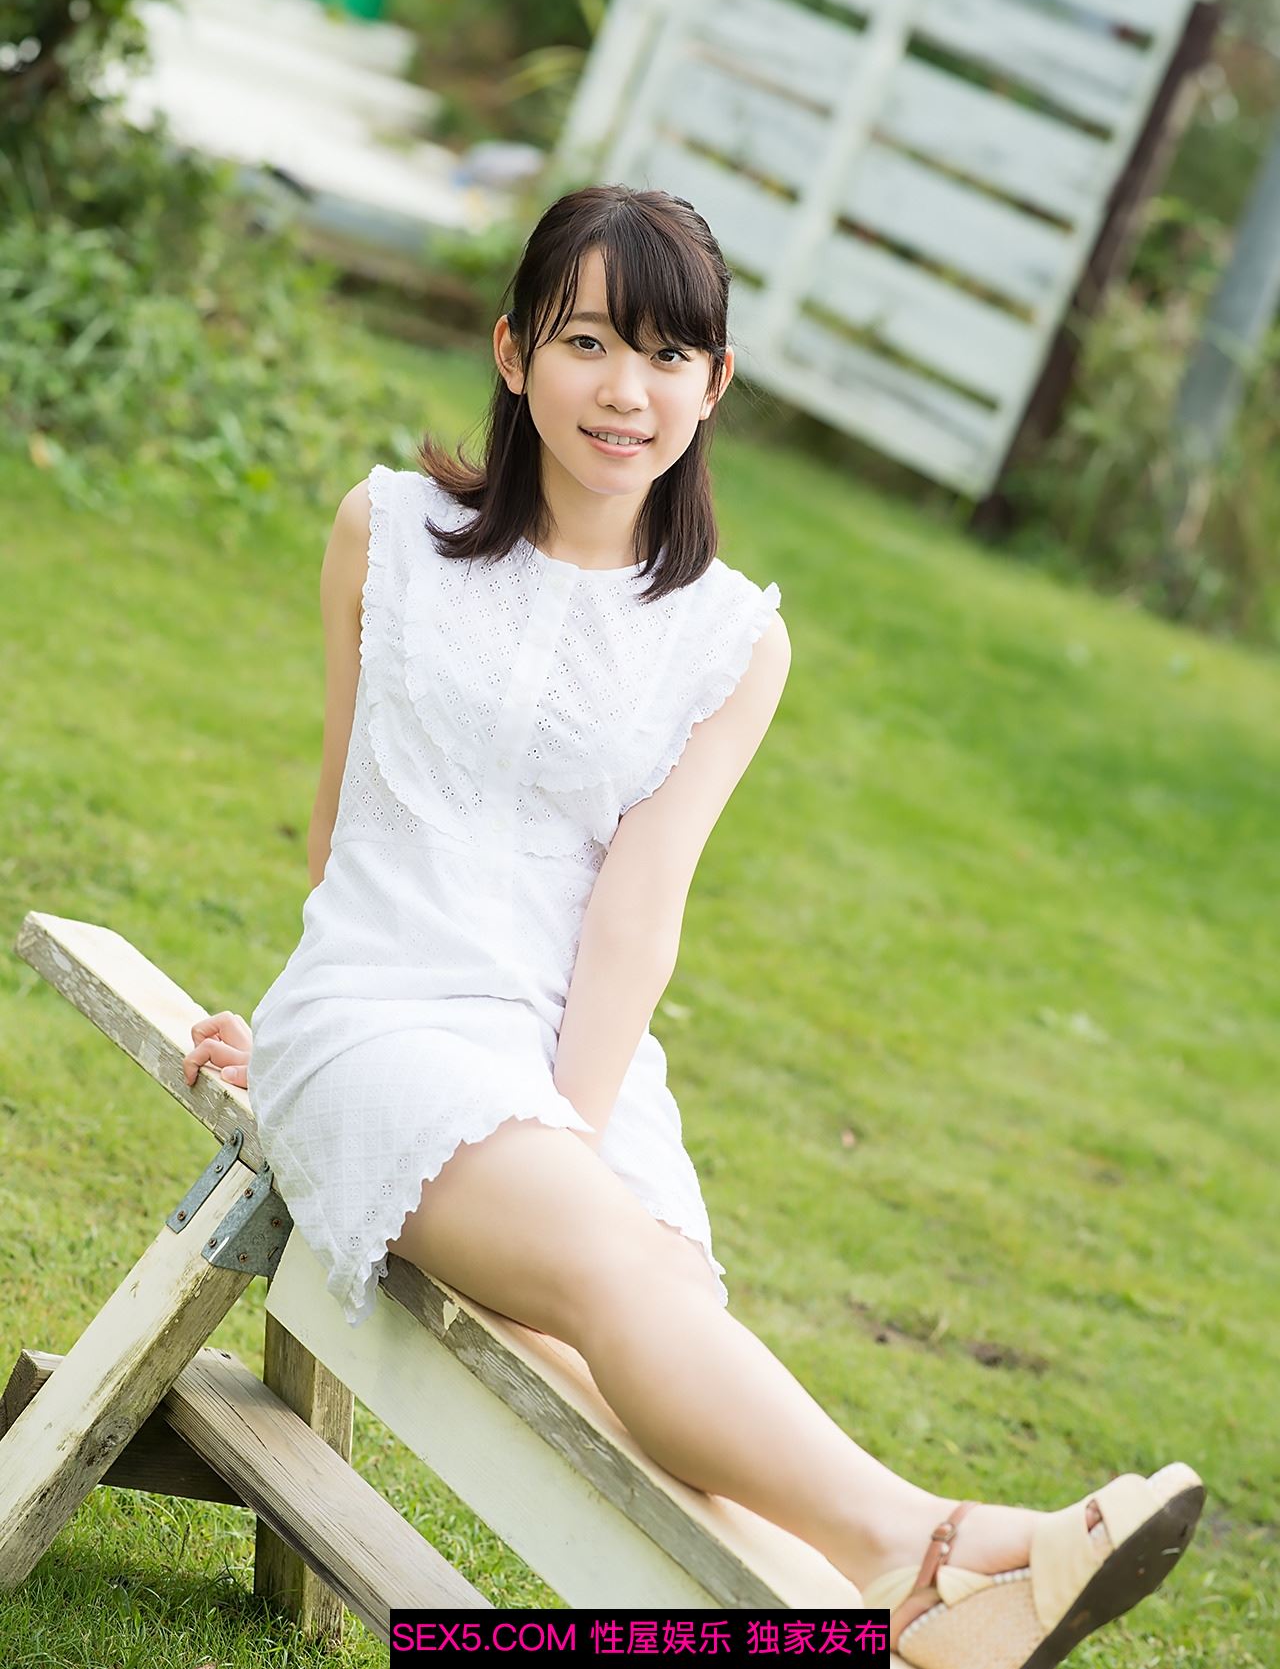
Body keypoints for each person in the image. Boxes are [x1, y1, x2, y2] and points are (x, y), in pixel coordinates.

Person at [183, 185, 1203, 1664]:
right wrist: (288, 1032)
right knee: (617, 1278)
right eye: (589, 341)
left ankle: (877, 1626)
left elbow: (636, 914)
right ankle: (927, 1544)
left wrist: (568, 1136)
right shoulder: (388, 532)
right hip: (378, 1022)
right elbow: (344, 821)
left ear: (715, 385)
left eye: (668, 355)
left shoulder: (731, 638)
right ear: (514, 350)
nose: (626, 389)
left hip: (576, 1068)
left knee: (648, 1312)